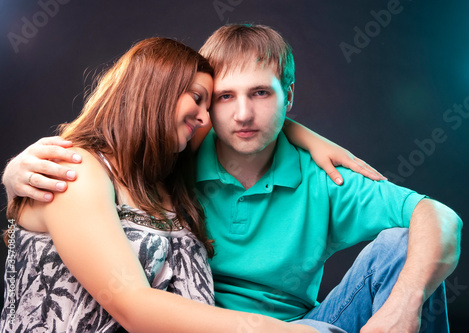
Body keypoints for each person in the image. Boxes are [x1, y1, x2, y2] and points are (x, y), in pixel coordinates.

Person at [2, 24, 462, 333]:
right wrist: (13, 173)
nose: (241, 114)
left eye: (262, 93)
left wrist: (402, 308)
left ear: (288, 96)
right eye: (221, 98)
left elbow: (438, 216)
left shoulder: (322, 176)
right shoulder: (176, 153)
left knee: (405, 245)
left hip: (300, 326)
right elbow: (133, 303)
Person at [0, 37, 324, 333]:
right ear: (155, 91)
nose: (204, 118)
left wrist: (312, 140)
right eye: (198, 99)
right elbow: (134, 305)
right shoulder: (76, 170)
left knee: (378, 254)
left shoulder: (167, 173)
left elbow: (251, 126)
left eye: (208, 106)